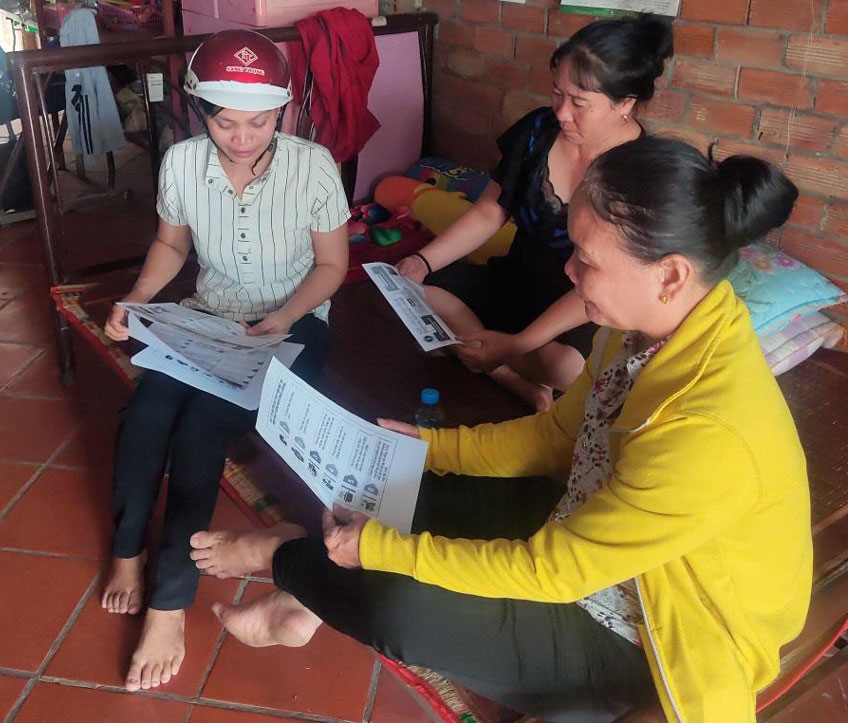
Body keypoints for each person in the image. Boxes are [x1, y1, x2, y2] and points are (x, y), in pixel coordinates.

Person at [199, 137, 810, 722]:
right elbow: (554, 438)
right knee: (402, 485)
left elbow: (556, 571)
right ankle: (306, 601)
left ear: (671, 276)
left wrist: (380, 550)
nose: (569, 270)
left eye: (587, 260)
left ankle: (281, 558)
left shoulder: (705, 432)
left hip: (654, 635)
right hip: (592, 532)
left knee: (398, 605)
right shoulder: (639, 331)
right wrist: (431, 446)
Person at [100, 29, 349, 692]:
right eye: (224, 122)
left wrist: (285, 316)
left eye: (259, 122)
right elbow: (171, 245)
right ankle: (127, 549)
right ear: (200, 111)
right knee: (146, 411)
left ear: (283, 110)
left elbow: (332, 266)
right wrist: (138, 297)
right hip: (208, 317)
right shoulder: (182, 162)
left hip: (292, 326)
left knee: (202, 428)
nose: (242, 137)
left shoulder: (313, 166)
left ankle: (168, 601)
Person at [397, 14, 673, 411]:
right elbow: (490, 212)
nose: (562, 112)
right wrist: (422, 261)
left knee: (566, 368)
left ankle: (490, 355)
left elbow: (605, 283)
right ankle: (512, 378)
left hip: (580, 302)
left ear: (625, 103)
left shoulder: (643, 173)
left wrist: (518, 343)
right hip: (515, 278)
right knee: (420, 295)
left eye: (579, 102)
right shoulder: (537, 132)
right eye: (557, 93)